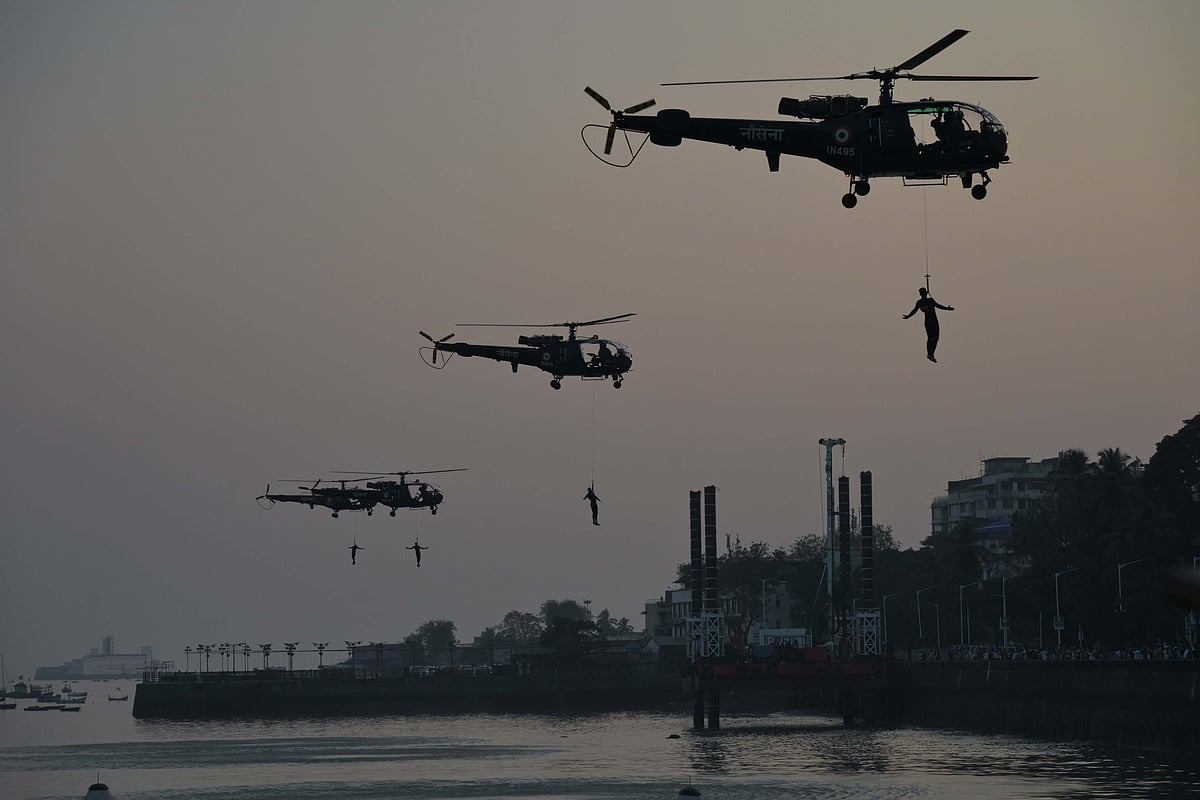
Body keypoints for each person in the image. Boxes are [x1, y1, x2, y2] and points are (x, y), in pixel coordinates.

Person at [902, 287, 954, 362]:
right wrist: (948, 308)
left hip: (927, 322)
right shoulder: (930, 300)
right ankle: (931, 354)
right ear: (926, 293)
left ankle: (929, 354)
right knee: (935, 337)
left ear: (920, 294)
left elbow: (914, 311)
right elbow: (938, 306)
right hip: (933, 321)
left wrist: (908, 316)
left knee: (929, 338)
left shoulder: (919, 302)